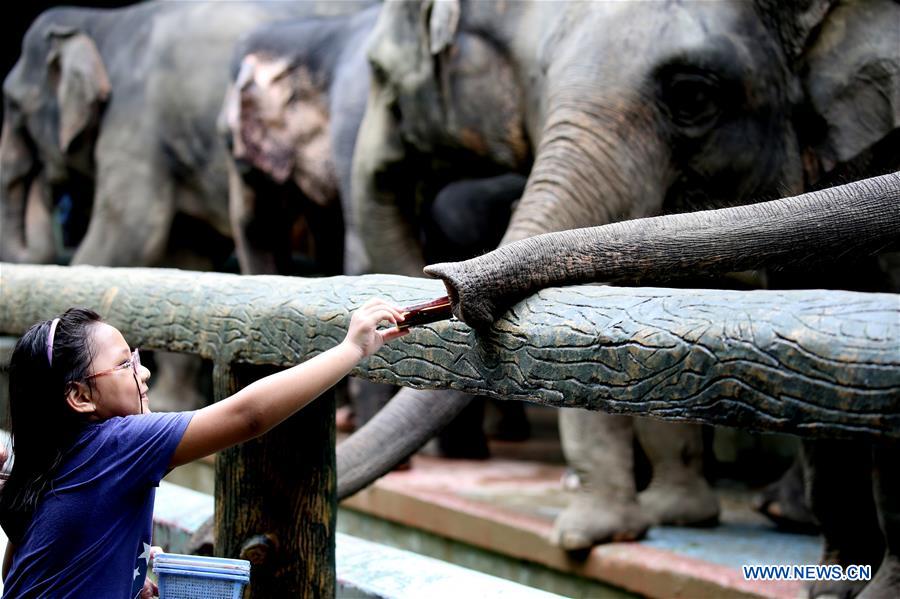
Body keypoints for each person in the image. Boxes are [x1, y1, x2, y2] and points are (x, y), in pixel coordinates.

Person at [0, 301, 406, 597]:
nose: (143, 372)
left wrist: (125, 579)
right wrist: (351, 350)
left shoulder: (47, 458)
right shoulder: (119, 442)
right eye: (125, 365)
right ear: (80, 396)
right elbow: (248, 416)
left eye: (136, 358)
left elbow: (16, 572)